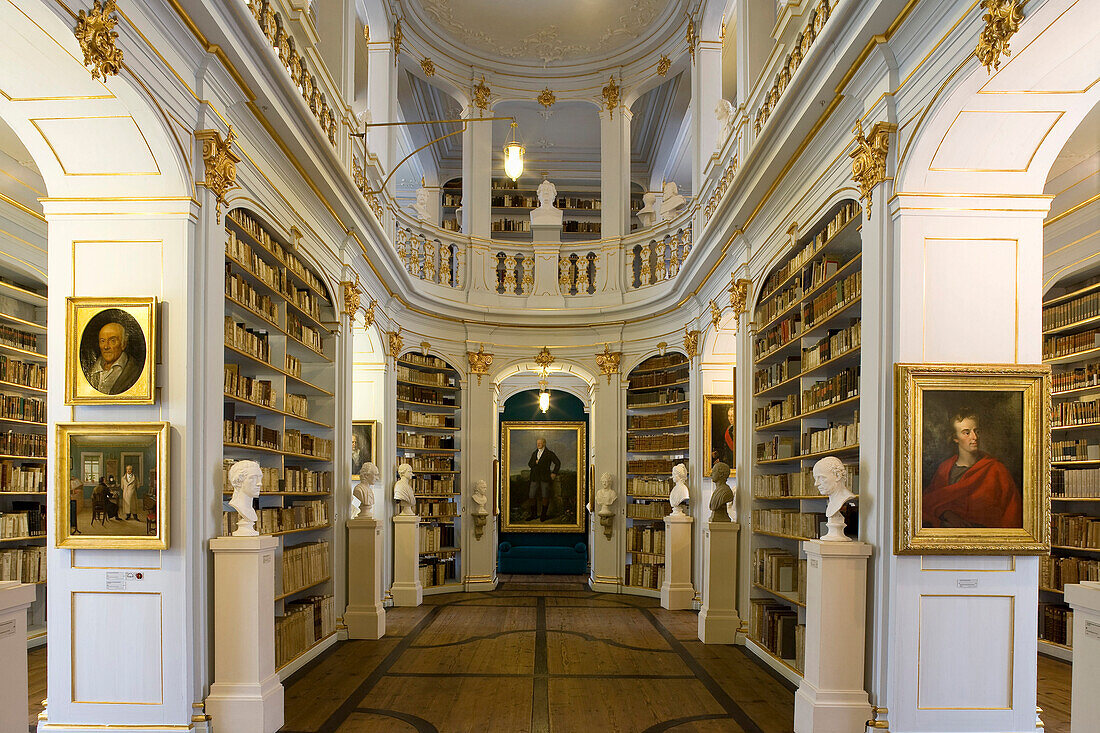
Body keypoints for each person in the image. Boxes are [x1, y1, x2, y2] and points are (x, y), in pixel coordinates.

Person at [922, 408, 1022, 529]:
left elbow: (1013, 514)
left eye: (977, 431)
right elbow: (928, 502)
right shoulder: (944, 469)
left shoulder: (996, 469)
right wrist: (947, 514)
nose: (975, 437)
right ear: (955, 438)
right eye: (966, 432)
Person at [85, 321, 142, 395]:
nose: (106, 346)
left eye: (112, 341)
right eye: (102, 341)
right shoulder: (91, 370)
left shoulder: (135, 371)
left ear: (123, 344)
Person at [527, 437, 561, 522]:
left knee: (545, 496)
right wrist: (535, 462)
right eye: (537, 443)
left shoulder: (549, 453)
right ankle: (533, 515)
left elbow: (558, 463)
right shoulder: (534, 453)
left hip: (545, 477)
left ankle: (543, 515)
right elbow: (529, 464)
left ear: (544, 444)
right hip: (534, 477)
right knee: (531, 495)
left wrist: (554, 473)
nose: (538, 444)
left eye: (540, 443)